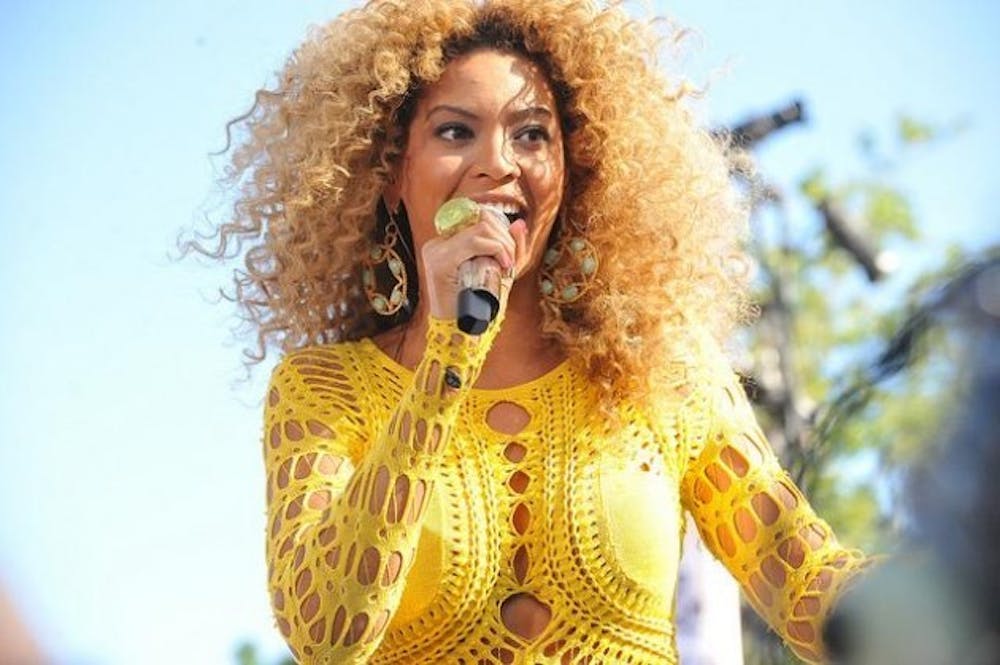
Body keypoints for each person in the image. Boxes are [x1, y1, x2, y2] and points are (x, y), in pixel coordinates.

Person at [198, 1, 874, 662]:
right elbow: (326, 635)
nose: (498, 163)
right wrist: (447, 357)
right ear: (392, 174)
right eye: (455, 132)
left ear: (573, 172)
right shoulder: (323, 391)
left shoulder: (662, 373)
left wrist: (926, 587)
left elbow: (806, 585)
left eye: (531, 135)